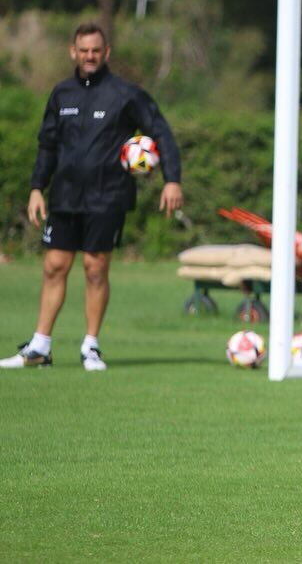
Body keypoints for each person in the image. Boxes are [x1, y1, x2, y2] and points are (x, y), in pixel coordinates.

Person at [1, 23, 183, 372]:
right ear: (73, 52)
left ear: (106, 53)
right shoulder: (61, 94)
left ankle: (91, 346)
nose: (89, 56)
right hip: (65, 197)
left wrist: (171, 180)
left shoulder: (125, 94)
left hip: (108, 197)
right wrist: (37, 187)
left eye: (96, 50)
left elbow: (161, 132)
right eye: (83, 50)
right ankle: (40, 346)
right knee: (54, 265)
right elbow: (47, 146)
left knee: (95, 268)